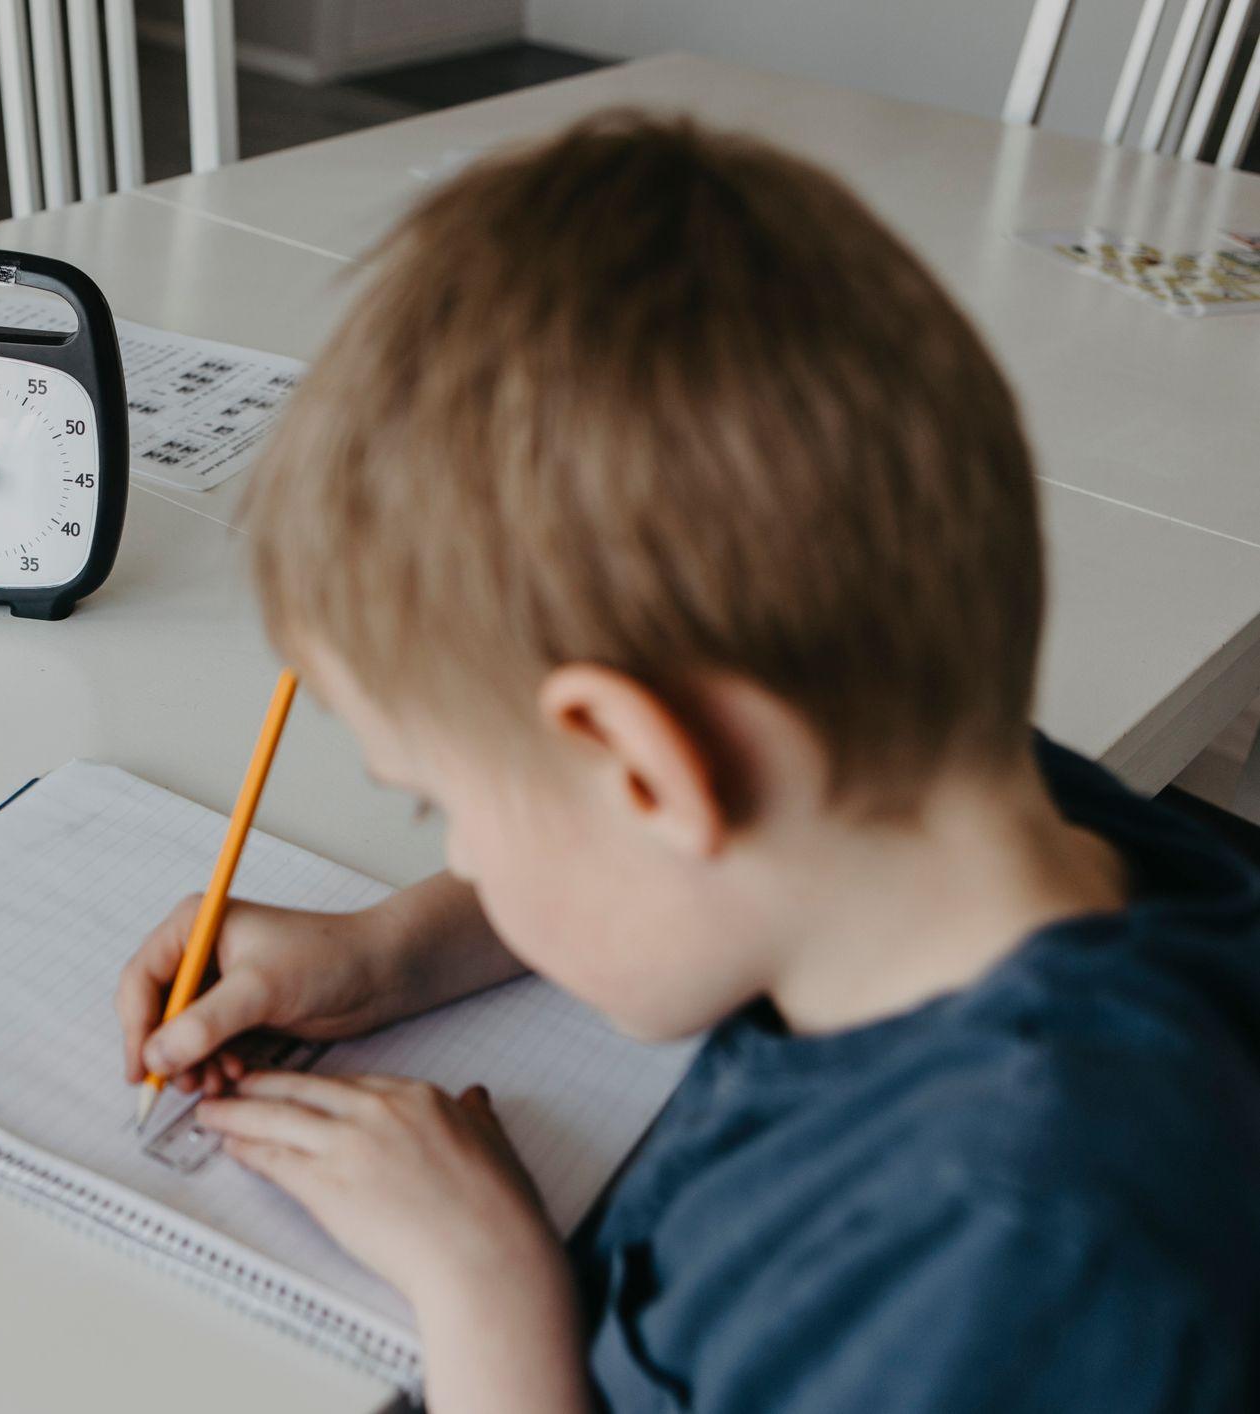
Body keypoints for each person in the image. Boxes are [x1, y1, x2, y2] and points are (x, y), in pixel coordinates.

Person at [116, 111, 1260, 1412]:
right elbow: (711, 843)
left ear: (643, 769)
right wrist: (397, 951)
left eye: (444, 804)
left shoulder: (1020, 1259)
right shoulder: (986, 813)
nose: (460, 859)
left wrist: (486, 1289)